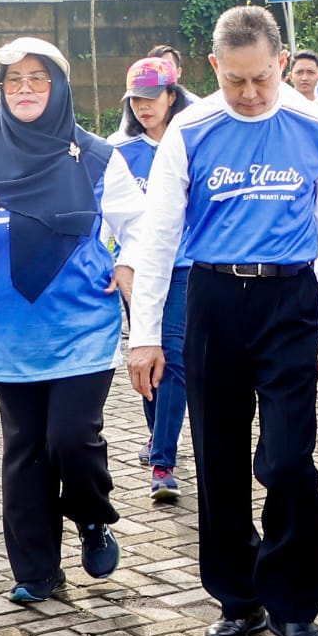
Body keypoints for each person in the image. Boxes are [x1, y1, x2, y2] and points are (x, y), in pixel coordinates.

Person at [119, 5, 318, 636]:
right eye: (236, 81)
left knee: (287, 459)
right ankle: (238, 599)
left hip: (289, 301)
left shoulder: (316, 124)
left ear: (282, 64)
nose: (249, 94)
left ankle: (295, 606)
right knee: (217, 456)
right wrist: (144, 337)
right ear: (215, 68)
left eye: (261, 79)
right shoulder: (189, 131)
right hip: (213, 298)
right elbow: (159, 236)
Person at [0, 37, 145, 603]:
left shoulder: (100, 157)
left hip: (82, 328)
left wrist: (127, 262)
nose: (25, 89)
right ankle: (35, 571)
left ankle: (90, 515)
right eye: (13, 80)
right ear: (1, 90)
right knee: (25, 452)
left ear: (59, 87)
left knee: (70, 441)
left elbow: (144, 229)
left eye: (38, 79)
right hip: (9, 336)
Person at [108, 55, 196, 502]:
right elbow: (109, 218)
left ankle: (163, 462)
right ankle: (155, 436)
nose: (143, 107)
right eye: (135, 100)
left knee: (175, 358)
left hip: (184, 269)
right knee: (146, 356)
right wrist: (117, 263)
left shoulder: (191, 142)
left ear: (171, 97)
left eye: (151, 97)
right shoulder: (119, 152)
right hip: (137, 271)